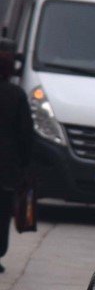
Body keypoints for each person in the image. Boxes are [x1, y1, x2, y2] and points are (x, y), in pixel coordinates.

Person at [0, 39, 35, 273]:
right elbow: (26, 136)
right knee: (2, 214)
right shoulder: (15, 95)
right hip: (6, 168)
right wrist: (26, 167)